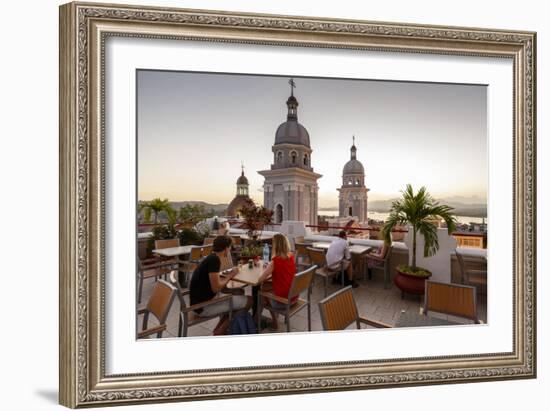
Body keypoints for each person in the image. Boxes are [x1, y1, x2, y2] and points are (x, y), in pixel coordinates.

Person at [189, 235, 252, 335]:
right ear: (226, 248)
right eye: (230, 247)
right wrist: (231, 274)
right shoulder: (215, 260)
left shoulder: (211, 257)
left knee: (239, 292)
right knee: (250, 300)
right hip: (203, 307)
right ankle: (220, 330)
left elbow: (214, 284)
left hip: (200, 301)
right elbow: (216, 288)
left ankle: (220, 327)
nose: (230, 250)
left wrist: (227, 281)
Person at [257, 234, 297, 330]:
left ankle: (273, 322)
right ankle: (268, 317)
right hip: (294, 296)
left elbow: (259, 280)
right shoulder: (291, 257)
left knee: (261, 293)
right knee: (266, 286)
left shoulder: (275, 261)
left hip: (284, 301)